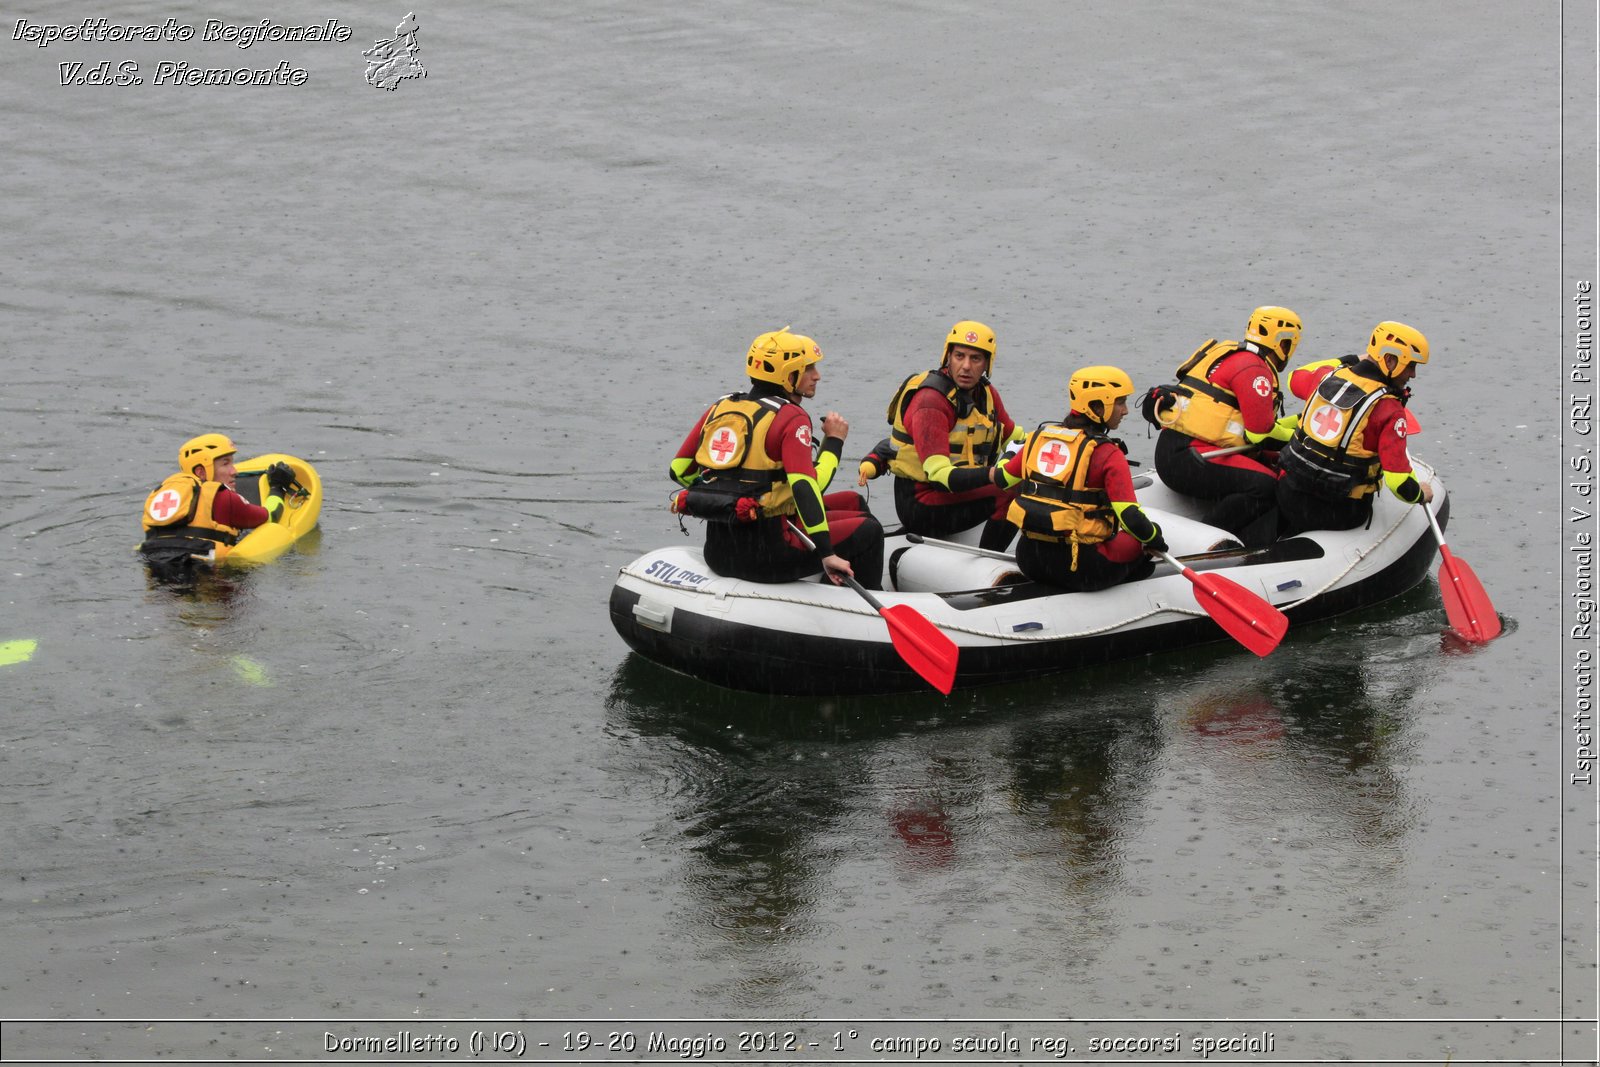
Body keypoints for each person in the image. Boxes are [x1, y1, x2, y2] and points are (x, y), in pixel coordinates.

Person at [669, 327, 885, 588]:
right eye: (807, 369)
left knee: (852, 501)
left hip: (718, 551)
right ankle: (859, 610)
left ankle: (832, 584)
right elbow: (809, 487)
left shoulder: (721, 406)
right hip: (768, 556)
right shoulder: (791, 418)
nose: (816, 376)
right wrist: (834, 443)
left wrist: (726, 496)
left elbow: (679, 470)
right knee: (870, 532)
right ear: (787, 375)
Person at [938, 366, 1168, 592]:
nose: (1125, 410)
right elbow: (1130, 516)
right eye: (1120, 402)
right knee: (1142, 539)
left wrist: (1009, 452)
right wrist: (1155, 539)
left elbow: (1002, 479)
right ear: (1099, 405)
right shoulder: (1109, 453)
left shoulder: (1037, 440)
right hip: (1081, 569)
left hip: (1031, 560)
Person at [1147, 306, 1305, 547]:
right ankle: (1205, 542)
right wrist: (1301, 439)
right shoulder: (1255, 370)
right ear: (1282, 342)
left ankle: (1244, 538)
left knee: (1264, 468)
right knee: (1266, 487)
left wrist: (1301, 421)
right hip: (1191, 458)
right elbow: (1260, 434)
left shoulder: (1230, 354)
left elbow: (1244, 424)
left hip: (1174, 451)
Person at [1276, 320, 1434, 536]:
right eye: (1411, 366)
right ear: (1389, 360)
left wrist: (1350, 360)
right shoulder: (1389, 409)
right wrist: (1420, 494)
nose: (1413, 375)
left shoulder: (1327, 377)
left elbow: (1296, 376)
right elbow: (1399, 484)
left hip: (1288, 494)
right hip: (1339, 511)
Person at [876, 320, 1020, 551]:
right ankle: (988, 560)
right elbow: (940, 476)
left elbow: (1016, 437)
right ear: (948, 356)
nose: (966, 366)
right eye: (959, 356)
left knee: (1029, 481)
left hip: (956, 493)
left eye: (975, 359)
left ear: (986, 364)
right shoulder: (930, 402)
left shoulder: (986, 393)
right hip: (922, 502)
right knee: (1013, 489)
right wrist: (995, 475)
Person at [140, 434, 294, 575]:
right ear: (201, 472)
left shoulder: (156, 495)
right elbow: (271, 516)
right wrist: (277, 487)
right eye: (225, 464)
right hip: (206, 578)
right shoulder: (223, 498)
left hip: (155, 572)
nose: (234, 471)